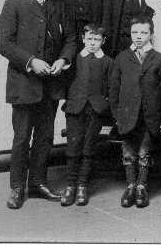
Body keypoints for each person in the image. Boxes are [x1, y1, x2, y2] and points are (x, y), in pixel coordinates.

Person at [0, 0, 76, 209]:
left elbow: (71, 40)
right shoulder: (14, 5)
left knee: (45, 137)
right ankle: (18, 187)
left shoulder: (59, 6)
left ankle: (38, 183)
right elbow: (5, 44)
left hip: (51, 85)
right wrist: (32, 61)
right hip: (23, 84)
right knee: (22, 138)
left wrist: (62, 61)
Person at [109, 16, 161, 208]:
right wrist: (117, 114)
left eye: (144, 32)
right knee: (128, 152)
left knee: (145, 152)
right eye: (135, 32)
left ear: (151, 34)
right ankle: (130, 185)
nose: (139, 36)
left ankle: (142, 186)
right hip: (127, 116)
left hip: (149, 115)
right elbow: (114, 89)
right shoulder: (122, 58)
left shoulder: (159, 59)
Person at [60, 24, 113, 207]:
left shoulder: (107, 62)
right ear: (83, 39)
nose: (92, 43)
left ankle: (82, 185)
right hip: (75, 108)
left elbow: (111, 87)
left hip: (96, 109)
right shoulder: (74, 59)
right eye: (89, 39)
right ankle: (70, 186)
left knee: (88, 147)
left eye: (97, 39)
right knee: (73, 146)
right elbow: (65, 82)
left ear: (103, 41)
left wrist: (103, 103)